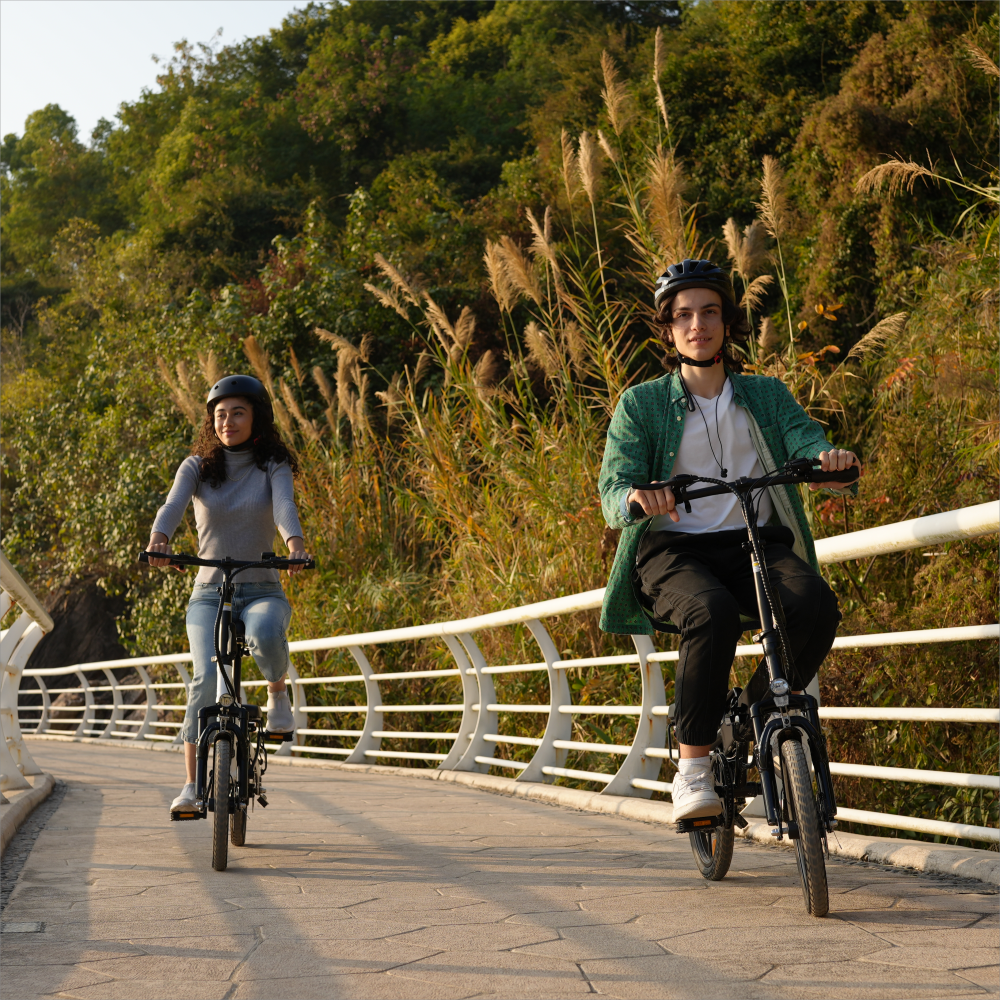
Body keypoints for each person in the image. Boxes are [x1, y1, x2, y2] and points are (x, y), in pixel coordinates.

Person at [598, 259, 861, 821]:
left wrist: (827, 461)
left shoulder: (764, 395)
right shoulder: (641, 404)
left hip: (755, 543)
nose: (699, 324)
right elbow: (613, 486)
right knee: (710, 612)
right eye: (685, 315)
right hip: (674, 551)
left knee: (816, 604)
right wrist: (639, 497)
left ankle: (762, 714)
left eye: (710, 311)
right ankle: (691, 770)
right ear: (669, 328)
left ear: (727, 321)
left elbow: (805, 438)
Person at [147, 375, 310, 817]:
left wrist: (294, 545)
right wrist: (160, 538)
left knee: (264, 632)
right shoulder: (197, 466)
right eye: (220, 414)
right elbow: (173, 504)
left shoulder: (271, 465)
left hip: (261, 589)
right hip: (208, 593)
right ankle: (190, 785)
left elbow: (283, 508)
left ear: (255, 416)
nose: (227, 421)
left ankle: (277, 694)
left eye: (237, 412)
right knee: (203, 678)